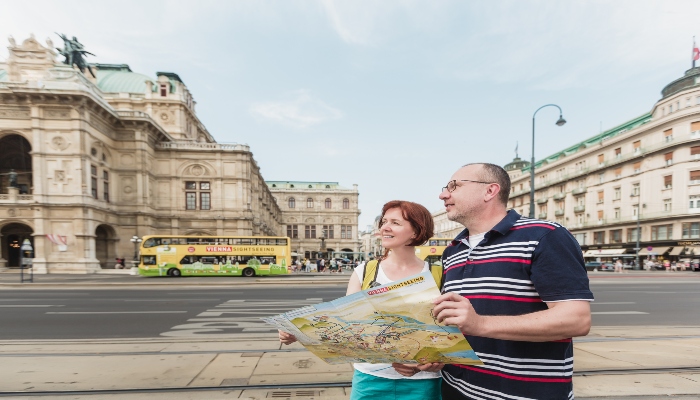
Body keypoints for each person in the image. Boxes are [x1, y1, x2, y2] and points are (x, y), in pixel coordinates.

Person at [420, 163, 593, 400]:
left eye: (454, 186)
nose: (443, 194)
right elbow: (457, 323)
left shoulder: (544, 236)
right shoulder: (454, 251)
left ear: (490, 191)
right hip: (455, 390)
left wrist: (480, 324)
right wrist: (437, 354)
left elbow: (576, 319)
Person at [279, 200, 441, 400]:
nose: (384, 228)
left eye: (395, 223)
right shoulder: (364, 271)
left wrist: (429, 362)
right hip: (370, 379)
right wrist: (300, 331)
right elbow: (346, 324)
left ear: (416, 232)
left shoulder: (437, 273)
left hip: (423, 382)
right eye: (384, 222)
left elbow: (448, 334)